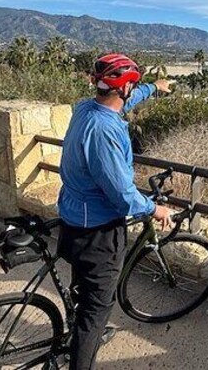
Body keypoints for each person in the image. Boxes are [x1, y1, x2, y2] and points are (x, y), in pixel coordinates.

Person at [57, 53, 173, 369]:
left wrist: (154, 88)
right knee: (95, 313)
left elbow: (126, 100)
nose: (132, 92)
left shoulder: (85, 108)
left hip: (71, 219)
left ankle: (80, 325)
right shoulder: (105, 132)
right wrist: (154, 209)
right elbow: (122, 195)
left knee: (84, 290)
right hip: (97, 234)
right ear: (123, 88)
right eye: (131, 86)